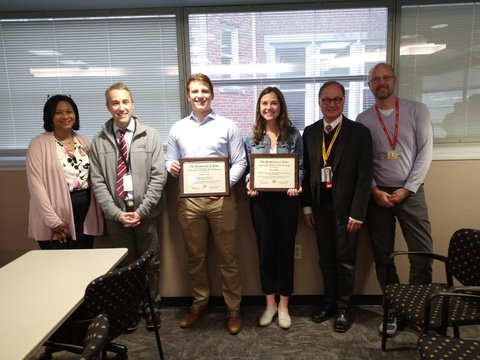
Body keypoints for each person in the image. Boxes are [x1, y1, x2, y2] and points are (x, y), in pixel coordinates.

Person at [165, 73, 247, 335]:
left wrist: (222, 188)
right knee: (195, 257)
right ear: (188, 96)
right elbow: (170, 161)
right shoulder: (177, 128)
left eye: (204, 91)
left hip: (221, 201)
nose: (200, 95)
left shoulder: (228, 126)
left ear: (212, 94)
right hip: (189, 203)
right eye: (195, 91)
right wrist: (172, 167)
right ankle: (199, 303)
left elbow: (241, 163)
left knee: (229, 258)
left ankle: (233, 308)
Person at [356, 63, 434, 337]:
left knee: (422, 254)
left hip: (411, 193)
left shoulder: (417, 110)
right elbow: (363, 162)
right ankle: (394, 311)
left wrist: (407, 188)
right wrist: (374, 190)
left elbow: (425, 153)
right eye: (375, 79)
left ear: (395, 80)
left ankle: (419, 310)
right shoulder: (363, 119)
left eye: (386, 77)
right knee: (384, 258)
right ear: (369, 85)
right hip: (378, 197)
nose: (381, 82)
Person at [90, 82, 165, 332]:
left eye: (125, 102)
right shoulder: (99, 141)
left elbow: (158, 177)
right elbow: (97, 181)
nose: (121, 108)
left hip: (147, 213)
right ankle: (130, 308)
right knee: (125, 266)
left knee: (150, 263)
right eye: (115, 103)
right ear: (108, 106)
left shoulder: (150, 135)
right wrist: (116, 213)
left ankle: (151, 306)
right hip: (116, 217)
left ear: (133, 104)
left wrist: (141, 211)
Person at [302, 81, 373, 333]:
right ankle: (329, 302)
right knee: (326, 259)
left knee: (346, 261)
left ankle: (344, 307)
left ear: (344, 101)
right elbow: (306, 173)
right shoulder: (309, 133)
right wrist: (307, 208)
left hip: (347, 210)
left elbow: (365, 177)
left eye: (337, 99)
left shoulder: (359, 132)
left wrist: (358, 212)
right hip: (320, 208)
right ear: (319, 102)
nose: (331, 104)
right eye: (326, 100)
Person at [244, 87, 304, 330]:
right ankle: (270, 304)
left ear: (281, 106)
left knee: (285, 252)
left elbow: (301, 168)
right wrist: (250, 183)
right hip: (260, 202)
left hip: (288, 202)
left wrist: (295, 183)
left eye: (273, 103)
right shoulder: (251, 138)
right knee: (265, 252)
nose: (268, 107)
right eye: (264, 103)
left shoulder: (294, 136)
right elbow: (248, 170)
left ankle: (284, 305)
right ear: (259, 108)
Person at [26, 95, 103, 249]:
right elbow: (35, 186)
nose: (65, 116)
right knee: (59, 265)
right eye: (58, 113)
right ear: (50, 116)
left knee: (84, 261)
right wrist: (53, 221)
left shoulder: (83, 140)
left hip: (85, 212)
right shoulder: (38, 144)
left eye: (69, 111)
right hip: (55, 215)